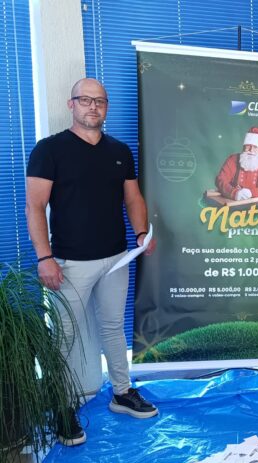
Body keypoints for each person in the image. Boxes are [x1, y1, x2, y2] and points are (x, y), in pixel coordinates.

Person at [26, 78, 158, 446]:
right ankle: (60, 405)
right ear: (72, 105)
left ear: (106, 107)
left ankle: (122, 392)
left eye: (99, 101)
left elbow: (133, 198)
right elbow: (35, 206)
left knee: (113, 327)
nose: (93, 107)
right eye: (85, 100)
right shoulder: (49, 150)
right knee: (64, 336)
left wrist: (141, 234)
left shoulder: (119, 150)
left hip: (116, 257)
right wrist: (44, 258)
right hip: (69, 262)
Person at [215, 127, 258, 200]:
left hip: (257, 205)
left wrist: (252, 193)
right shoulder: (232, 159)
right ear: (243, 147)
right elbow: (220, 179)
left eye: (255, 147)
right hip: (232, 202)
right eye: (248, 146)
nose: (251, 150)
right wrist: (234, 193)